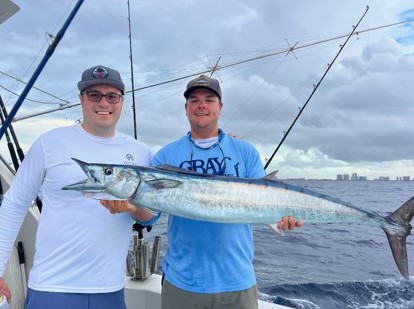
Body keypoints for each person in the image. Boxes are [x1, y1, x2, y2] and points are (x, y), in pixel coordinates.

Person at [0, 65, 155, 309]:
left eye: (112, 96)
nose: (104, 102)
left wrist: (132, 208)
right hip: (52, 288)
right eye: (94, 95)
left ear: (121, 102)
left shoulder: (141, 153)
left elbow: (150, 217)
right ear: (81, 99)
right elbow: (14, 203)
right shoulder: (49, 143)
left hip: (110, 290)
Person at [148, 75, 303, 309]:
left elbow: (266, 197)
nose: (202, 105)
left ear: (220, 107)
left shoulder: (245, 151)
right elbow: (149, 215)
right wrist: (131, 205)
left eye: (209, 99)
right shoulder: (165, 156)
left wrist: (281, 219)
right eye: (194, 100)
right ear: (186, 108)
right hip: (183, 283)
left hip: (238, 282)